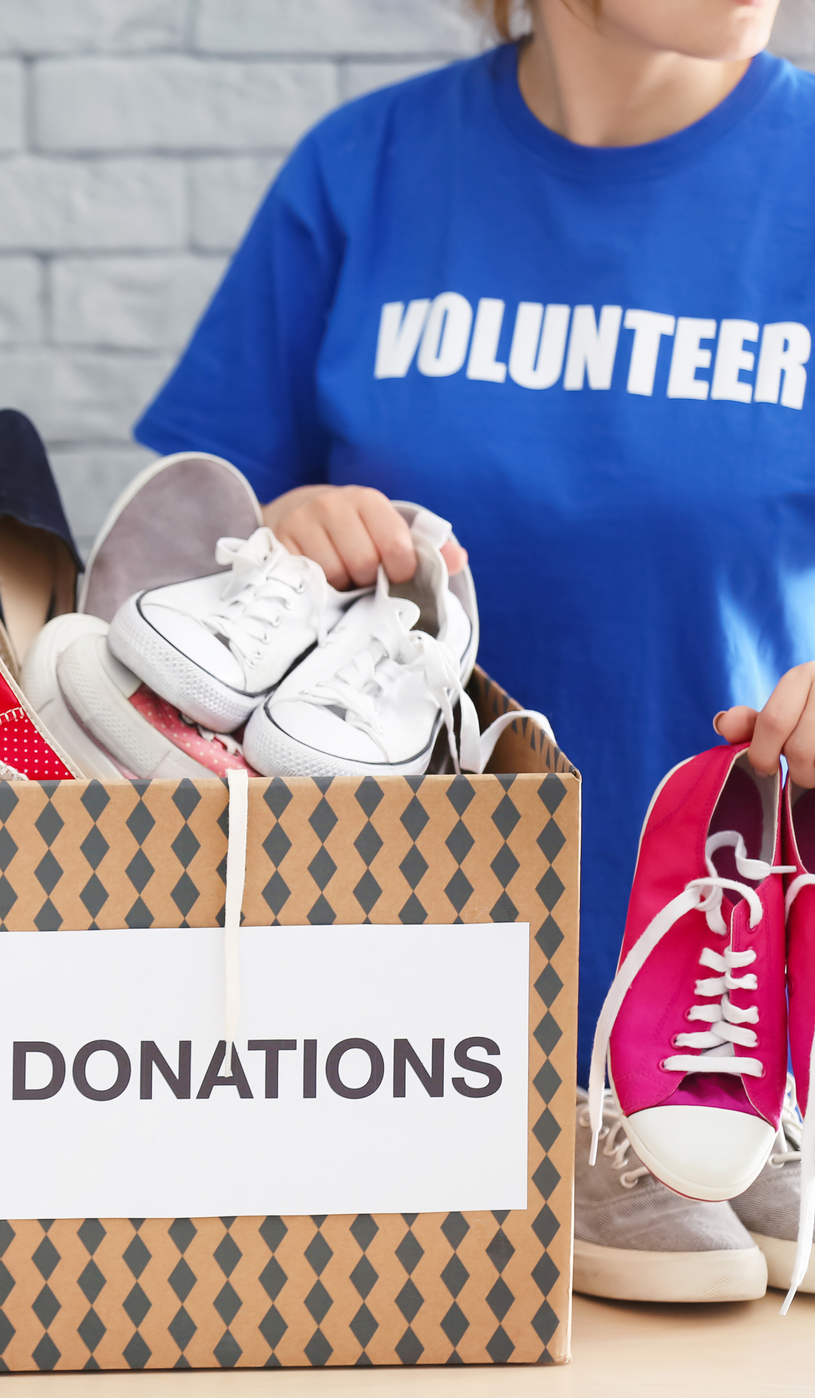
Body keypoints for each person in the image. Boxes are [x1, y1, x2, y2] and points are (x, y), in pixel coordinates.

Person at [135, 0, 814, 1302]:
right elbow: (177, 592)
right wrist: (283, 533)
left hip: (737, 1045)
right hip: (372, 1024)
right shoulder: (364, 170)